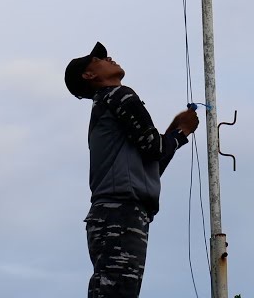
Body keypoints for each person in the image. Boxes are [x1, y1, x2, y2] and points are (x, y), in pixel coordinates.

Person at [65, 41, 199, 298]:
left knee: (113, 289)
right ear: (89, 75)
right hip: (120, 212)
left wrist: (174, 133)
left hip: (116, 213)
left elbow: (149, 164)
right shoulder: (119, 95)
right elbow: (154, 148)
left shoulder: (107, 105)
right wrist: (181, 132)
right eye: (99, 59)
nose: (110, 58)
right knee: (118, 291)